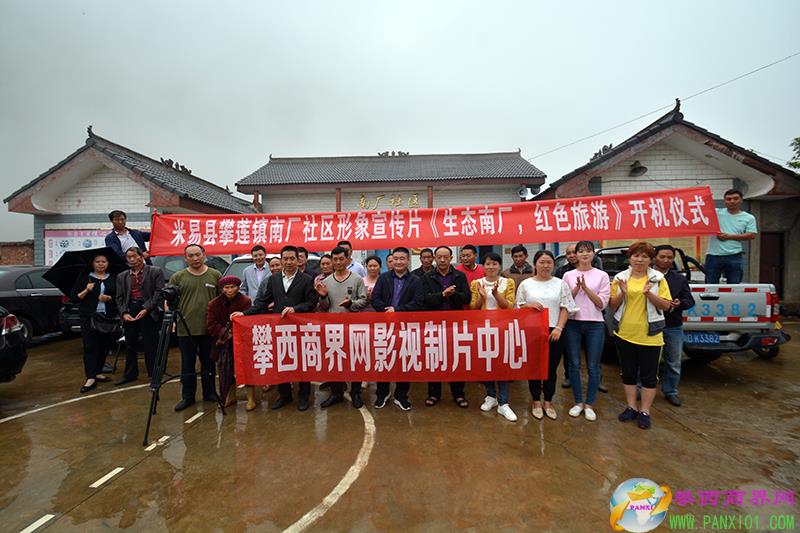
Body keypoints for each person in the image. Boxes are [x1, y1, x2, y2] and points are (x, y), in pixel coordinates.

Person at [233, 245, 319, 411]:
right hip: (280, 329)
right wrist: (244, 314)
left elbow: (311, 302)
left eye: (292, 258)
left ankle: (303, 397)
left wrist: (295, 309)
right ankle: (284, 395)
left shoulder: (306, 279)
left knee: (302, 363)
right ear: (281, 260)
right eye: (285, 259)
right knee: (282, 361)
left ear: (298, 260)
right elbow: (262, 302)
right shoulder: (274, 280)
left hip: (300, 329)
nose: (288, 262)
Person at [609, 242, 673, 430]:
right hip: (625, 333)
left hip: (650, 336)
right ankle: (631, 407)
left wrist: (649, 294)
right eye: (636, 256)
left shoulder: (658, 279)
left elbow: (666, 306)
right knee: (628, 373)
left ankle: (645, 411)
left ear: (650, 260)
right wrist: (622, 292)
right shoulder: (620, 278)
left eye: (644, 256)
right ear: (629, 258)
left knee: (649, 376)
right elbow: (612, 305)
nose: (639, 260)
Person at [516, 250, 578, 421]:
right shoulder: (526, 284)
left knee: (551, 369)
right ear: (535, 264)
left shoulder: (560, 284)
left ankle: (548, 402)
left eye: (549, 262)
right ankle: (536, 401)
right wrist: (528, 305)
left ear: (553, 264)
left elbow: (566, 307)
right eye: (542, 262)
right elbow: (518, 306)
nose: (545, 266)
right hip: (532, 331)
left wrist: (559, 328)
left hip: (554, 331)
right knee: (534, 368)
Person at [370, 246, 425, 410]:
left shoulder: (416, 280)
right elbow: (375, 299)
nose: (399, 262)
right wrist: (386, 311)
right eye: (396, 259)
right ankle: (382, 393)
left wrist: (397, 311)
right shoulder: (383, 278)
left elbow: (418, 303)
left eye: (402, 259)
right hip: (385, 326)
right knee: (383, 359)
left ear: (408, 260)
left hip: (405, 327)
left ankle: (401, 396)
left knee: (404, 361)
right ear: (391, 261)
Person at [169, 244, 222, 412]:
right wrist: (172, 320)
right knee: (187, 364)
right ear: (185, 258)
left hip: (208, 329)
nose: (195, 258)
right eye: (190, 256)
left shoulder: (215, 275)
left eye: (198, 254)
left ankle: (210, 392)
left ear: (204, 255)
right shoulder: (178, 277)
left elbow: (222, 301)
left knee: (209, 363)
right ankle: (188, 396)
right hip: (185, 329)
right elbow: (169, 302)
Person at [316, 246, 370, 408]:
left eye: (341, 259)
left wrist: (350, 304)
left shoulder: (357, 279)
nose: (338, 262)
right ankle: (337, 393)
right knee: (334, 359)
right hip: (332, 328)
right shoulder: (326, 282)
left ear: (348, 259)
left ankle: (355, 392)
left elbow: (364, 301)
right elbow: (324, 307)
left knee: (355, 360)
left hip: (353, 327)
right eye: (335, 259)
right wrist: (323, 296)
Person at [562, 240, 610, 421]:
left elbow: (601, 304)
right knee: (574, 364)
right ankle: (578, 402)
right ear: (576, 254)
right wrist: (577, 287)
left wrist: (586, 288)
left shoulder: (602, 275)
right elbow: (566, 301)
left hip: (595, 324)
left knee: (593, 365)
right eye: (580, 251)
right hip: (573, 324)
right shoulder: (568, 275)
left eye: (588, 251)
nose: (584, 254)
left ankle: (589, 404)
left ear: (593, 254)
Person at [422, 246, 471, 408]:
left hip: (455, 324)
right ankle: (433, 394)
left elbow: (467, 298)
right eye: (439, 257)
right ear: (435, 258)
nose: (442, 260)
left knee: (456, 358)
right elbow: (425, 299)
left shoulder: (459, 276)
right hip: (434, 325)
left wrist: (453, 294)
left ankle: (459, 394)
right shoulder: (427, 277)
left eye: (446, 257)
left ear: (451, 258)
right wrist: (442, 295)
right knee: (434, 359)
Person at [470, 252, 517, 420]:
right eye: (488, 264)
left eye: (494, 264)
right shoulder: (476, 283)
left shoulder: (508, 282)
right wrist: (482, 298)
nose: (491, 267)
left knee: (502, 365)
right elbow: (473, 308)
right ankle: (491, 396)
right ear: (483, 266)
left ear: (499, 266)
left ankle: (504, 403)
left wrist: (496, 294)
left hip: (502, 329)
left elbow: (510, 307)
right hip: (483, 329)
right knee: (486, 363)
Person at [114, 246, 165, 386]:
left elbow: (159, 292)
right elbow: (119, 297)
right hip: (130, 310)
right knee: (130, 344)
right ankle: (130, 374)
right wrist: (124, 313)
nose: (132, 259)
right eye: (129, 257)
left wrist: (146, 308)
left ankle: (154, 373)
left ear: (141, 257)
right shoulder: (122, 276)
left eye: (134, 256)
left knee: (151, 344)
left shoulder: (155, 271)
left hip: (148, 310)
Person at [653, 244, 695, 407]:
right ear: (655, 257)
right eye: (662, 257)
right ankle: (642, 388)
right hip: (650, 325)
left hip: (673, 325)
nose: (666, 260)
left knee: (674, 361)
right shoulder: (645, 276)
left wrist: (680, 303)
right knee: (648, 361)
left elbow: (689, 300)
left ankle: (670, 391)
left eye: (669, 257)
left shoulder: (679, 279)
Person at [71, 252, 119, 393]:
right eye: (97, 261)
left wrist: (109, 298)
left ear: (108, 264)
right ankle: (90, 377)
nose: (100, 264)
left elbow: (119, 296)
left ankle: (98, 372)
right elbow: (74, 298)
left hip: (107, 317)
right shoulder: (85, 277)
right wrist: (86, 290)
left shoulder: (114, 278)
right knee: (90, 346)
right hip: (89, 317)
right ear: (93, 263)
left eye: (103, 261)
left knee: (104, 346)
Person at [207, 275, 252, 409]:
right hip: (222, 343)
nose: (230, 290)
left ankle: (251, 398)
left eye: (233, 287)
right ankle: (230, 396)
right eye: (226, 287)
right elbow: (211, 323)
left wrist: (236, 333)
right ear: (222, 289)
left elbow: (248, 320)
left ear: (238, 288)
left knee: (247, 370)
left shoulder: (245, 301)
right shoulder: (213, 304)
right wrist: (226, 334)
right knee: (225, 371)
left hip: (242, 341)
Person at [704, 189, 757, 284]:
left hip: (734, 255)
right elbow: (699, 212)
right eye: (728, 199)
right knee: (710, 285)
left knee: (734, 285)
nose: (732, 201)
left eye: (735, 198)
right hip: (713, 255)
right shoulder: (715, 213)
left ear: (741, 200)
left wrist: (730, 237)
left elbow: (752, 234)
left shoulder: (749, 218)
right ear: (724, 201)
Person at [555, 242, 578, 389]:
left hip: (590, 317)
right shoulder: (561, 272)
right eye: (568, 253)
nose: (571, 255)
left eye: (574, 252)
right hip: (568, 317)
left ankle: (598, 378)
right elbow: (560, 296)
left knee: (592, 353)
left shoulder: (595, 270)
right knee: (568, 349)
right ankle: (568, 376)